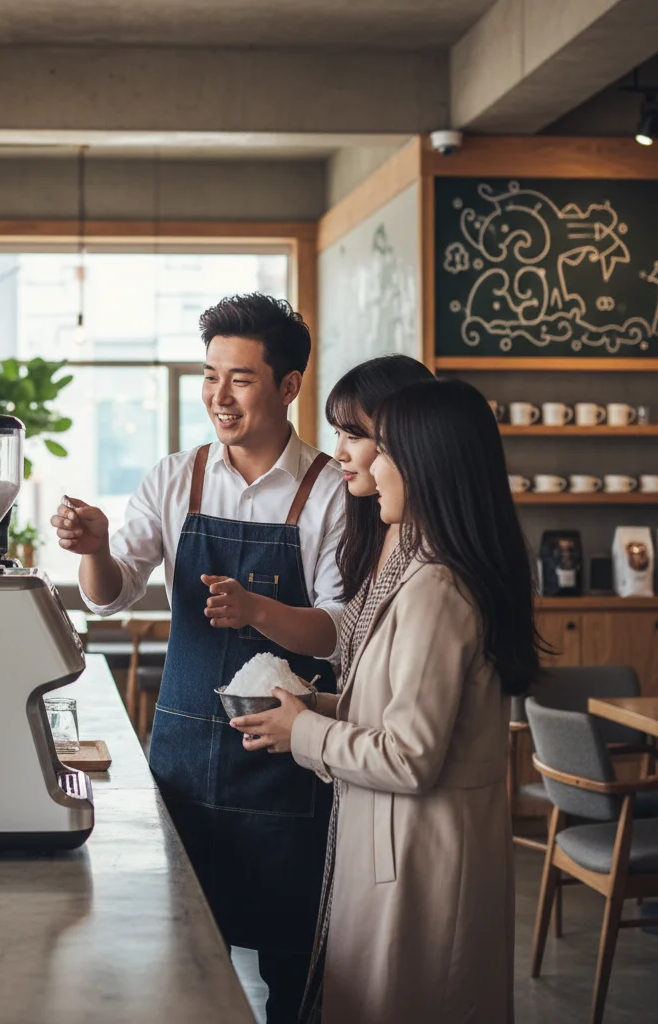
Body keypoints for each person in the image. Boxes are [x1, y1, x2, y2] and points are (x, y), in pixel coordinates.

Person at [51, 293, 345, 1023]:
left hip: (288, 762)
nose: (219, 395)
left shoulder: (330, 490)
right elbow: (112, 595)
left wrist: (258, 612)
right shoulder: (177, 476)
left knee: (290, 963)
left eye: (240, 378)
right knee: (177, 956)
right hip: (182, 753)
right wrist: (93, 551)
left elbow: (342, 631)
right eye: (209, 375)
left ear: (287, 386)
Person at [231, 377, 539, 1024]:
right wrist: (312, 711)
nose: (365, 460)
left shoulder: (436, 587)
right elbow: (395, 709)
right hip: (400, 846)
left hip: (421, 858)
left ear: (428, 465)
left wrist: (304, 735)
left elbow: (409, 756)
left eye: (381, 448)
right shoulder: (420, 563)